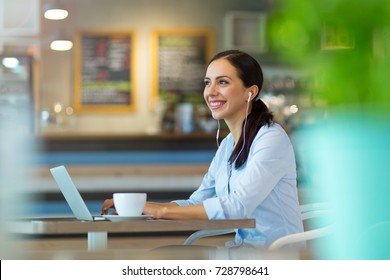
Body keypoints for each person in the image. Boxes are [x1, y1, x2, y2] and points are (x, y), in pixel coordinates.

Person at [101, 50, 304, 248]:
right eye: (208, 82)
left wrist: (161, 211)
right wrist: (139, 208)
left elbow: (238, 207)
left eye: (222, 82)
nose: (211, 91)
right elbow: (197, 201)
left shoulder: (271, 139)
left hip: (275, 256)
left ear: (250, 92)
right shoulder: (228, 145)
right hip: (243, 251)